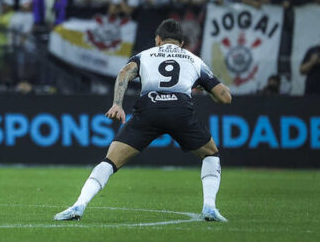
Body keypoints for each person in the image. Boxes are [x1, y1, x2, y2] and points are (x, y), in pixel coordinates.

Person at [54, 19, 232, 222]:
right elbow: (225, 97)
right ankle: (209, 207)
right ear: (181, 43)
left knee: (110, 161)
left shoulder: (145, 55)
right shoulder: (194, 60)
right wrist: (202, 87)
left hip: (149, 109)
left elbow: (124, 73)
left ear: (158, 39)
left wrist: (117, 104)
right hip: (180, 110)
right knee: (210, 154)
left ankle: (79, 205)